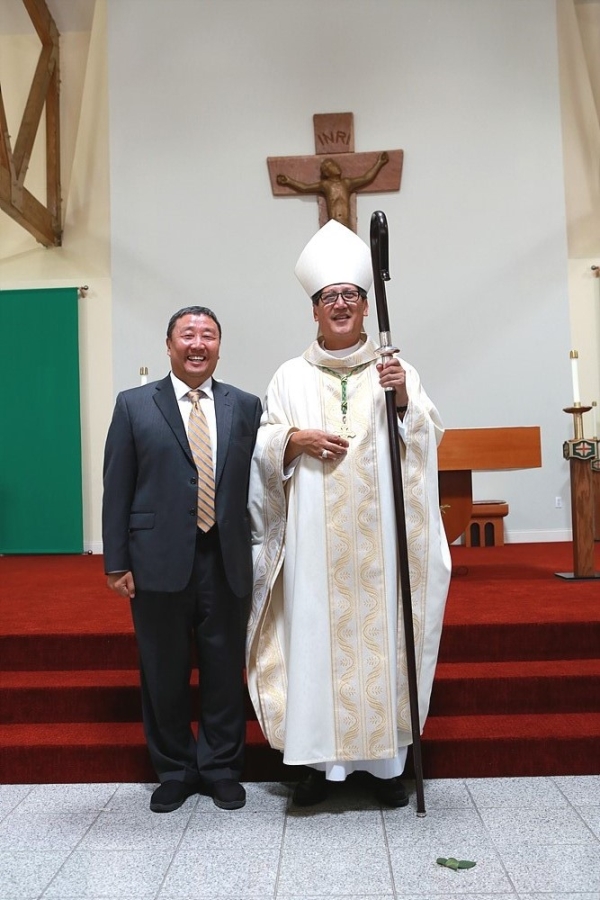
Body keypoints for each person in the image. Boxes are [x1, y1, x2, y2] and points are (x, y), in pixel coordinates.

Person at [247, 220, 451, 807]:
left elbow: (425, 438)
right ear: (314, 310)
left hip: (380, 542)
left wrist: (404, 399)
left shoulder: (394, 370)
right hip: (313, 544)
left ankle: (385, 767)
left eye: (350, 296)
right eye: (328, 297)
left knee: (381, 641)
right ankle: (319, 767)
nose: (339, 305)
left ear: (365, 306)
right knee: (313, 637)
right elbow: (263, 444)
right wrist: (293, 440)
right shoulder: (290, 376)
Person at [102, 306, 262, 813]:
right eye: (188, 335)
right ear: (169, 345)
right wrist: (116, 560)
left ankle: (220, 768)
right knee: (162, 670)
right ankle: (174, 769)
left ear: (219, 347)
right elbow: (117, 485)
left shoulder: (245, 405)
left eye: (208, 335)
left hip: (225, 557)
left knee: (224, 669)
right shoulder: (134, 405)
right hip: (156, 559)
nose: (198, 344)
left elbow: (259, 481)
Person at [276, 152, 389, 229]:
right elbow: (305, 187)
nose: (336, 166)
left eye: (335, 164)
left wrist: (379, 163)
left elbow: (366, 178)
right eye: (331, 166)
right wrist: (289, 181)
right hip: (333, 225)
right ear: (326, 172)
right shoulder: (326, 185)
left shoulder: (346, 183)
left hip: (346, 225)